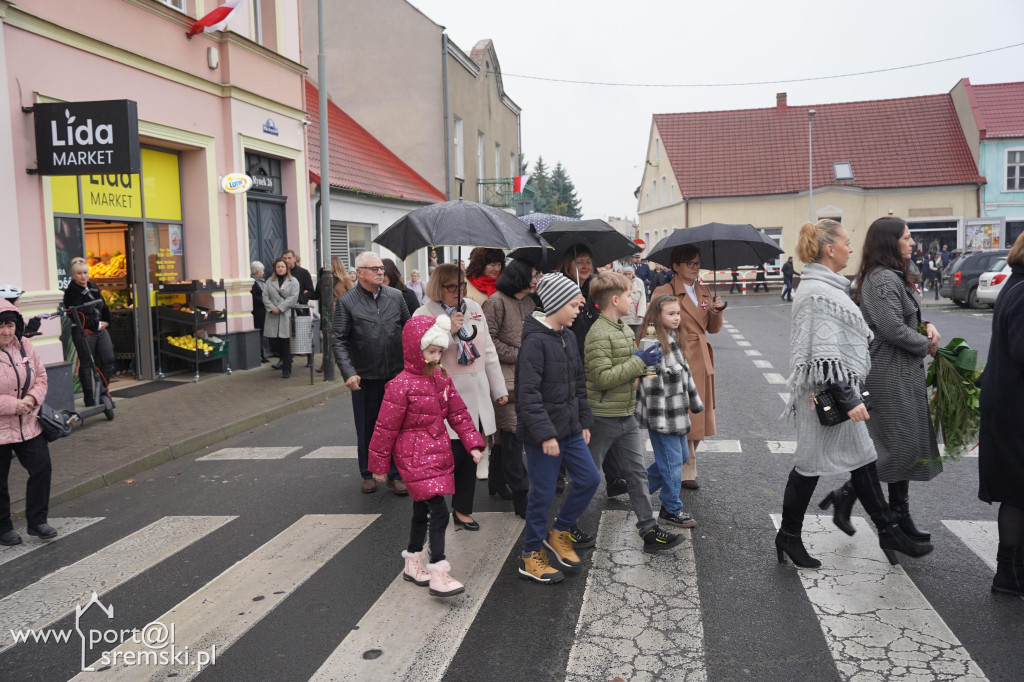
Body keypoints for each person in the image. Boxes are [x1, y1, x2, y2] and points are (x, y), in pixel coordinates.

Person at [778, 219, 932, 568]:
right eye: (846, 242)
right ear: (829, 249)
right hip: (827, 394)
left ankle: (887, 529)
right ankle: (789, 535)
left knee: (862, 457)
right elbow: (824, 352)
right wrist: (849, 398)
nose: (851, 248)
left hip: (838, 389)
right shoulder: (817, 293)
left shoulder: (828, 286)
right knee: (810, 466)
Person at [369, 314, 485, 597]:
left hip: (437, 451)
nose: (435, 357)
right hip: (413, 456)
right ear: (414, 349)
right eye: (430, 351)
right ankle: (438, 572)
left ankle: (412, 562)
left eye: (439, 352)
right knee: (439, 512)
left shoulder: (441, 378)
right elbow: (385, 427)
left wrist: (472, 442)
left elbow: (458, 412)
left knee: (422, 511)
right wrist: (379, 465)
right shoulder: (400, 385)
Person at [851, 217, 943, 543]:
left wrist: (926, 326)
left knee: (899, 446)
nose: (913, 242)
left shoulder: (890, 276)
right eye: (907, 237)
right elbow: (891, 328)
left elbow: (905, 318)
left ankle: (897, 513)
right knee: (895, 447)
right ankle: (892, 519)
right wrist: (927, 345)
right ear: (890, 242)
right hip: (889, 374)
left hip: (901, 371)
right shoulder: (880, 279)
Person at [583, 271, 684, 553]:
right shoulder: (598, 334)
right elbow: (602, 378)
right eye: (629, 295)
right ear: (615, 300)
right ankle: (562, 526)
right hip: (603, 415)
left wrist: (647, 365)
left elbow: (630, 369)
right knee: (586, 476)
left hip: (625, 413)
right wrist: (639, 362)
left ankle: (649, 531)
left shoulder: (624, 329)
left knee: (637, 474)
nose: (633, 299)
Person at [515, 273, 601, 583]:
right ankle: (530, 555)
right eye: (574, 305)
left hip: (570, 429)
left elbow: (578, 383)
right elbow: (527, 395)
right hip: (543, 436)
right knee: (543, 494)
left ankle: (560, 531)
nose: (579, 310)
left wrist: (584, 421)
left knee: (590, 479)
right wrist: (546, 435)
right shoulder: (534, 342)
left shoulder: (568, 336)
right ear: (556, 304)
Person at [415, 264, 507, 529]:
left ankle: (462, 509)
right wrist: (449, 332)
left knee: (469, 454)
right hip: (444, 394)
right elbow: (420, 354)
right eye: (451, 287)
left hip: (475, 394)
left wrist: (499, 388)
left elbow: (487, 349)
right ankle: (431, 507)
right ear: (438, 287)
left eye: (462, 285)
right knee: (444, 456)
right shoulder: (423, 313)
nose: (458, 291)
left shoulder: (474, 308)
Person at [332, 251, 411, 495]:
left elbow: (409, 330)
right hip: (365, 376)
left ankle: (394, 474)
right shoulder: (347, 302)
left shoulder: (396, 296)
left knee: (396, 425)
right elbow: (339, 339)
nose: (380, 272)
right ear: (359, 273)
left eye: (381, 268)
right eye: (374, 268)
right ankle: (368, 473)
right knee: (367, 426)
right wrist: (348, 371)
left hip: (396, 374)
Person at [651, 245, 724, 489]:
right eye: (689, 263)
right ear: (676, 266)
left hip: (702, 355)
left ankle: (686, 463)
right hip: (678, 356)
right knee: (683, 412)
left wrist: (716, 312)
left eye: (697, 263)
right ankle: (686, 466)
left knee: (700, 413)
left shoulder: (704, 290)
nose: (695, 267)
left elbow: (713, 329)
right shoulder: (665, 291)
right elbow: (653, 324)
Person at [558, 246, 628, 497]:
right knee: (570, 419)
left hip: (595, 360)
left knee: (603, 417)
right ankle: (559, 473)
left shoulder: (596, 290)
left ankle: (615, 477)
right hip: (570, 361)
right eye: (580, 262)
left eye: (588, 261)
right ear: (568, 264)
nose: (585, 266)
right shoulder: (562, 289)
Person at [978, 231, 1024, 595]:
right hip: (1015, 408)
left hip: (1007, 403)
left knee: (1016, 489)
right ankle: (1010, 574)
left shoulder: (1014, 284)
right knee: (1017, 490)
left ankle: (1011, 571)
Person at [635, 294, 703, 528]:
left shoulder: (673, 337)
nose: (677, 318)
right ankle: (671, 508)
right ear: (657, 316)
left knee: (679, 457)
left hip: (676, 414)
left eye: (678, 313)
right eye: (671, 313)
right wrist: (658, 420)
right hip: (663, 416)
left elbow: (685, 375)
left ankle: (639, 489)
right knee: (672, 462)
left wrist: (694, 402)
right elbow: (650, 384)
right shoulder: (652, 342)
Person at [482, 259, 537, 517]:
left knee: (506, 436)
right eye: (532, 275)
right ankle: (521, 495)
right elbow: (488, 341)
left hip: (527, 378)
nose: (536, 280)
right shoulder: (495, 302)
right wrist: (521, 353)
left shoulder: (530, 302)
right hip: (503, 380)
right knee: (513, 434)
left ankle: (496, 480)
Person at [1, 299, 58, 545]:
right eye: (1, 326)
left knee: (41, 468)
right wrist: (12, 405)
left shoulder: (24, 345)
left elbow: (41, 376)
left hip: (28, 423)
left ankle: (37, 522)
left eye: (10, 325)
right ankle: (3, 528)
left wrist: (32, 398)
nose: (6, 331)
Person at [62, 257, 116, 403]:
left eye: (85, 273)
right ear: (73, 275)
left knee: (109, 359)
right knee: (86, 363)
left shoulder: (93, 286)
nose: (83, 276)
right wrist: (96, 325)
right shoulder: (71, 292)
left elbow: (104, 306)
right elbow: (77, 315)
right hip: (84, 331)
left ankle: (103, 391)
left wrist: (106, 322)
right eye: (79, 273)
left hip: (101, 329)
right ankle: (89, 397)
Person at [262, 259, 299, 378]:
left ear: (286, 268)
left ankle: (286, 369)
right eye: (278, 267)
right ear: (275, 268)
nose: (280, 269)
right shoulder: (269, 281)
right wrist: (272, 308)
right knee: (275, 341)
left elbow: (293, 297)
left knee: (286, 343)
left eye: (282, 266)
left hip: (286, 315)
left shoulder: (293, 281)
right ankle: (283, 360)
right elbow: (265, 296)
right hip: (272, 315)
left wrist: (280, 307)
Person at [282, 250, 315, 368]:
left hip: (300, 308)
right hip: (285, 308)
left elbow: (310, 291)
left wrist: (299, 298)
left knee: (305, 333)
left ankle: (310, 357)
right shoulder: (281, 273)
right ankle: (285, 360)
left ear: (295, 259)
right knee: (286, 335)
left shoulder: (303, 272)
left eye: (289, 258)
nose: (287, 260)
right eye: (285, 258)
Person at [250, 261, 268, 363]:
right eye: (262, 270)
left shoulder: (262, 281)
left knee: (263, 333)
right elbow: (254, 297)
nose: (263, 272)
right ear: (257, 271)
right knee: (259, 333)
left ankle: (262, 354)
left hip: (264, 311)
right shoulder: (253, 282)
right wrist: (265, 300)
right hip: (258, 312)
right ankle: (260, 354)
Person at [618, 266, 647, 333]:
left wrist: (641, 313)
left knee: (637, 334)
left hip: (636, 314)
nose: (627, 276)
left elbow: (643, 298)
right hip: (624, 315)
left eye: (629, 274)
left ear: (633, 274)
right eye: (625, 274)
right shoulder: (619, 283)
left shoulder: (639, 282)